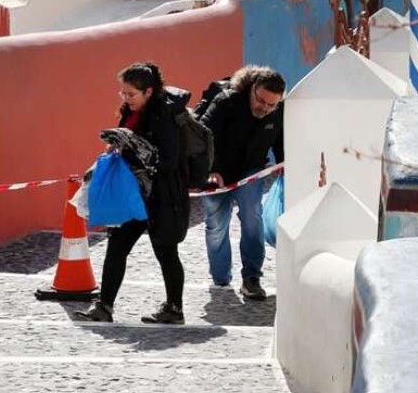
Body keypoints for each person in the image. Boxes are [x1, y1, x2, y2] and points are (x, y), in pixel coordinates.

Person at [76, 62, 191, 324]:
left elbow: (170, 160)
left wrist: (134, 143)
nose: (126, 99)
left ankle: (175, 309)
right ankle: (104, 306)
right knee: (116, 247)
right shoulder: (130, 112)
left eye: (131, 94)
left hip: (161, 194)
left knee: (166, 251)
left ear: (149, 92)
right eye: (123, 94)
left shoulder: (166, 115)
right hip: (133, 192)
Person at [199, 65, 285, 300]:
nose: (264, 108)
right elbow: (202, 135)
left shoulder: (278, 111)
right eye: (261, 101)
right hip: (216, 173)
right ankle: (221, 278)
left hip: (250, 171)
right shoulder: (226, 102)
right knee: (216, 225)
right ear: (253, 89)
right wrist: (212, 169)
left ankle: (252, 277)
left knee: (252, 218)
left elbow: (280, 140)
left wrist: (284, 163)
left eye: (271, 105)